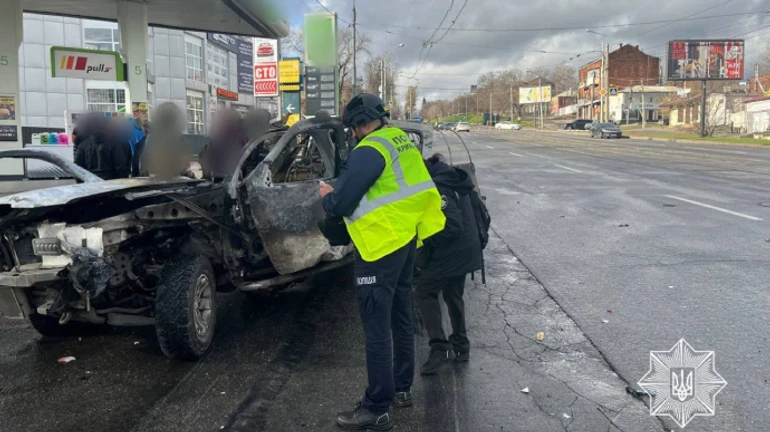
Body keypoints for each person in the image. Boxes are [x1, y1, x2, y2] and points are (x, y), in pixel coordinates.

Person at [319, 93, 446, 431]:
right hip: (405, 239)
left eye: (352, 128)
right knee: (400, 316)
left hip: (379, 247)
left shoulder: (368, 150)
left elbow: (342, 203)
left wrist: (327, 197)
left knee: (376, 328)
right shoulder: (400, 141)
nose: (352, 135)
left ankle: (377, 408)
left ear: (358, 125)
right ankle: (401, 388)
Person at [415, 154, 483, 375]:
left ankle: (439, 348)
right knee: (453, 295)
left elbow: (452, 227)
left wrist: (425, 240)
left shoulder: (440, 186)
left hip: (454, 251)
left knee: (425, 291)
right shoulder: (450, 176)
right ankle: (461, 346)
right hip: (467, 249)